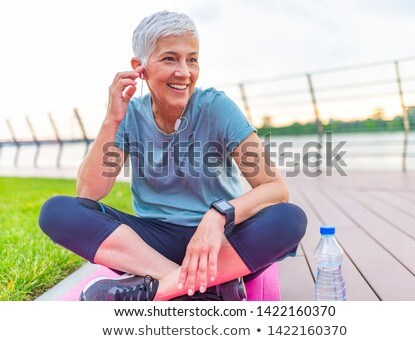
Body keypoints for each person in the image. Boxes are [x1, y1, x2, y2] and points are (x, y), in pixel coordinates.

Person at [38, 11, 307, 301]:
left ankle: (154, 290)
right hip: (150, 245)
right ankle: (205, 287)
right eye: (169, 58)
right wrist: (111, 120)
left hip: (221, 244)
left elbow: (275, 188)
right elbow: (90, 192)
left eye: (192, 59)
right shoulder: (130, 116)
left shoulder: (217, 107)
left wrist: (218, 216)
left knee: (288, 219)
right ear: (139, 67)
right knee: (57, 211)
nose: (184, 72)